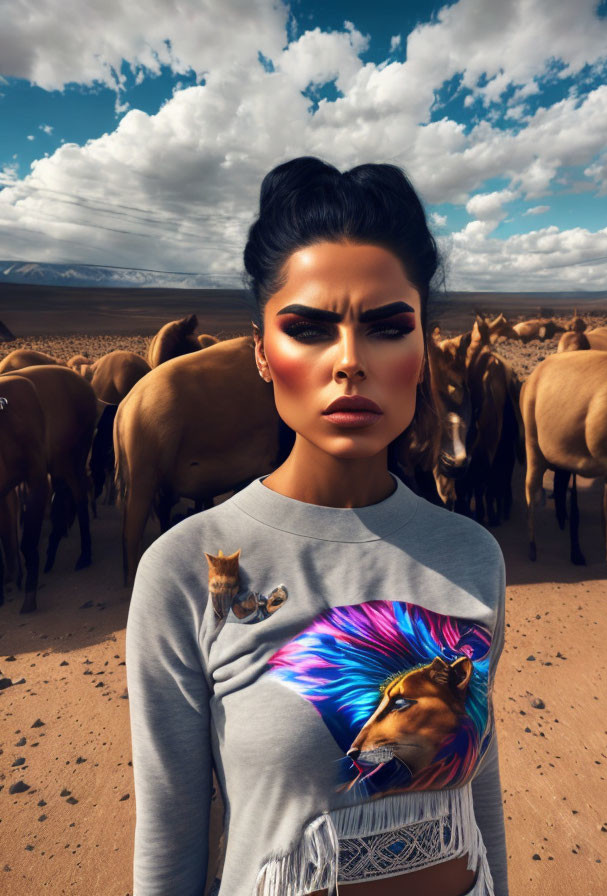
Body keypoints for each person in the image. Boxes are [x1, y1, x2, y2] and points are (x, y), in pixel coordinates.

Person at [125, 156, 508, 896]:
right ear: (264, 354)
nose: (350, 363)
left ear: (423, 350)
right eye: (308, 328)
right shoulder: (188, 569)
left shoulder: (472, 555)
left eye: (389, 326)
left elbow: (477, 794)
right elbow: (171, 846)